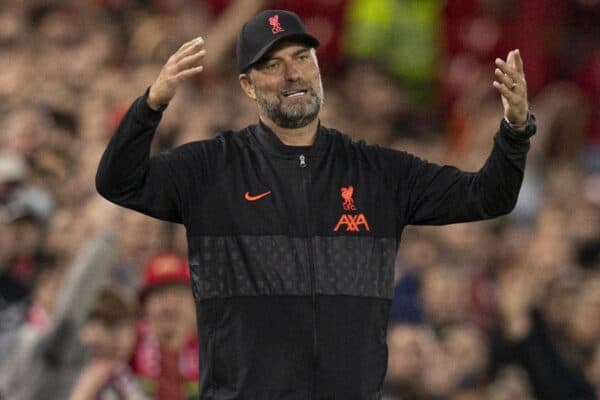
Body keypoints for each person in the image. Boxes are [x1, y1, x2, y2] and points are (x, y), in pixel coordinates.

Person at [96, 9, 536, 399]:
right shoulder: (212, 168)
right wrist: (152, 103)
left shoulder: (378, 172)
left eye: (302, 58)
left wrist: (515, 131)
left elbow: (488, 196)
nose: (293, 74)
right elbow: (118, 182)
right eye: (272, 64)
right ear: (247, 87)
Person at [131, 251, 199, 400]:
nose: (170, 306)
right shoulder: (128, 346)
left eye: (179, 296)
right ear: (144, 307)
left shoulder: (212, 350)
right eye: (160, 295)